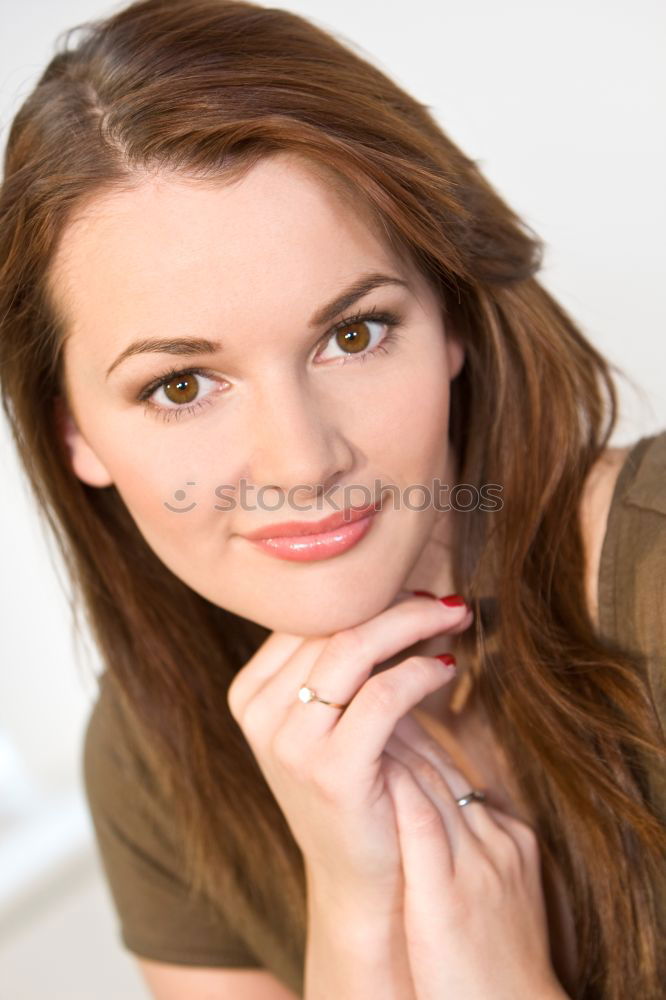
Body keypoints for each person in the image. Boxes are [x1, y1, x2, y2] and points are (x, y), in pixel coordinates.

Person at [0, 1, 664, 998]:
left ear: (452, 321)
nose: (302, 461)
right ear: (76, 435)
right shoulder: (153, 754)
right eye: (180, 384)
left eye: (352, 335)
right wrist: (356, 920)